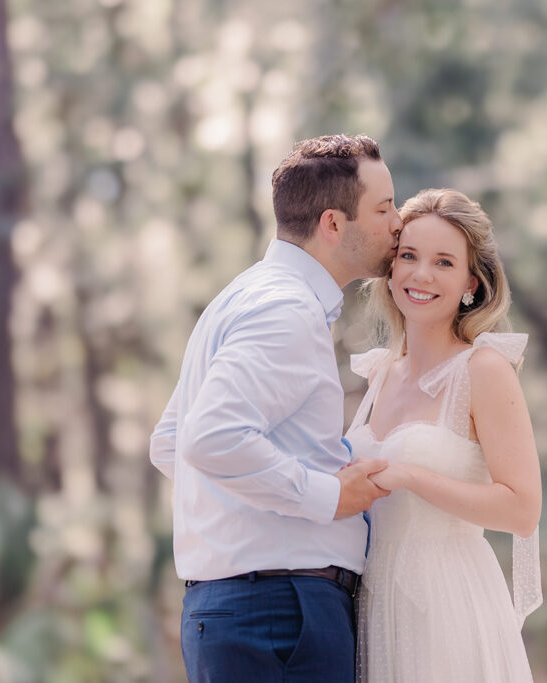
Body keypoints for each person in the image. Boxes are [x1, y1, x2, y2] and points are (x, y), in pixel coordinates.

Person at [149, 134, 402, 682]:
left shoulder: (243, 296)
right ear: (334, 224)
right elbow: (208, 440)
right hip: (280, 617)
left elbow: (170, 442)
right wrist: (328, 495)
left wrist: (246, 509)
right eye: (383, 208)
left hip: (249, 611)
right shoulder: (285, 310)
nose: (397, 222)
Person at [346, 188, 544, 682]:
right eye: (408, 256)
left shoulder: (483, 369)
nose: (420, 275)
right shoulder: (379, 374)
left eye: (443, 262)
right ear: (390, 268)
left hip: (447, 603)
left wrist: (411, 475)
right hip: (372, 602)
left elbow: (522, 509)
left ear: (470, 283)